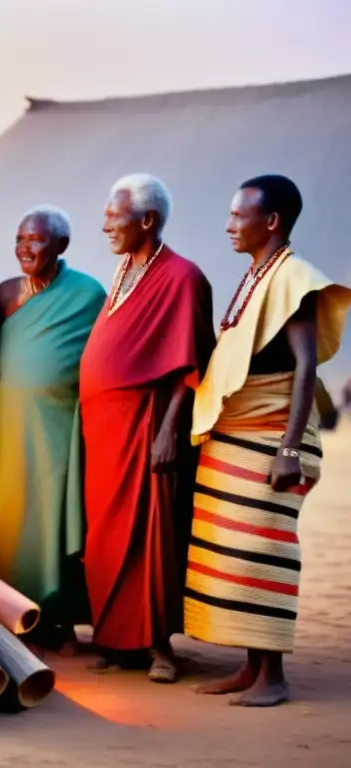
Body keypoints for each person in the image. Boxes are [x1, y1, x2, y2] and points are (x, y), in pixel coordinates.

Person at [185, 175, 351, 706]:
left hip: (269, 439)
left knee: (264, 551)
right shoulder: (259, 275)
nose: (230, 225)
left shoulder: (294, 278)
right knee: (233, 554)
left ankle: (273, 678)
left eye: (239, 216)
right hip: (234, 436)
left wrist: (287, 449)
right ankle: (250, 667)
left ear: (271, 221)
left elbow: (304, 368)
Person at [79, 173, 215, 683]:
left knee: (152, 535)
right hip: (105, 433)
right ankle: (117, 641)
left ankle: (159, 647)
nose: (105, 225)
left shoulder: (182, 277)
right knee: (107, 537)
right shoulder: (122, 271)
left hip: (148, 427)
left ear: (147, 220)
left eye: (115, 217)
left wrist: (167, 433)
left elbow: (191, 361)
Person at [0, 205, 106, 651]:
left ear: (61, 246)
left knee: (54, 516)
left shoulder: (89, 294)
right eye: (20, 239)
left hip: (61, 425)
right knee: (11, 519)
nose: (25, 248)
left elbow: (102, 357)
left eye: (35, 240)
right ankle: (15, 613)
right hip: (10, 425)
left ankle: (61, 622)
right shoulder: (4, 293)